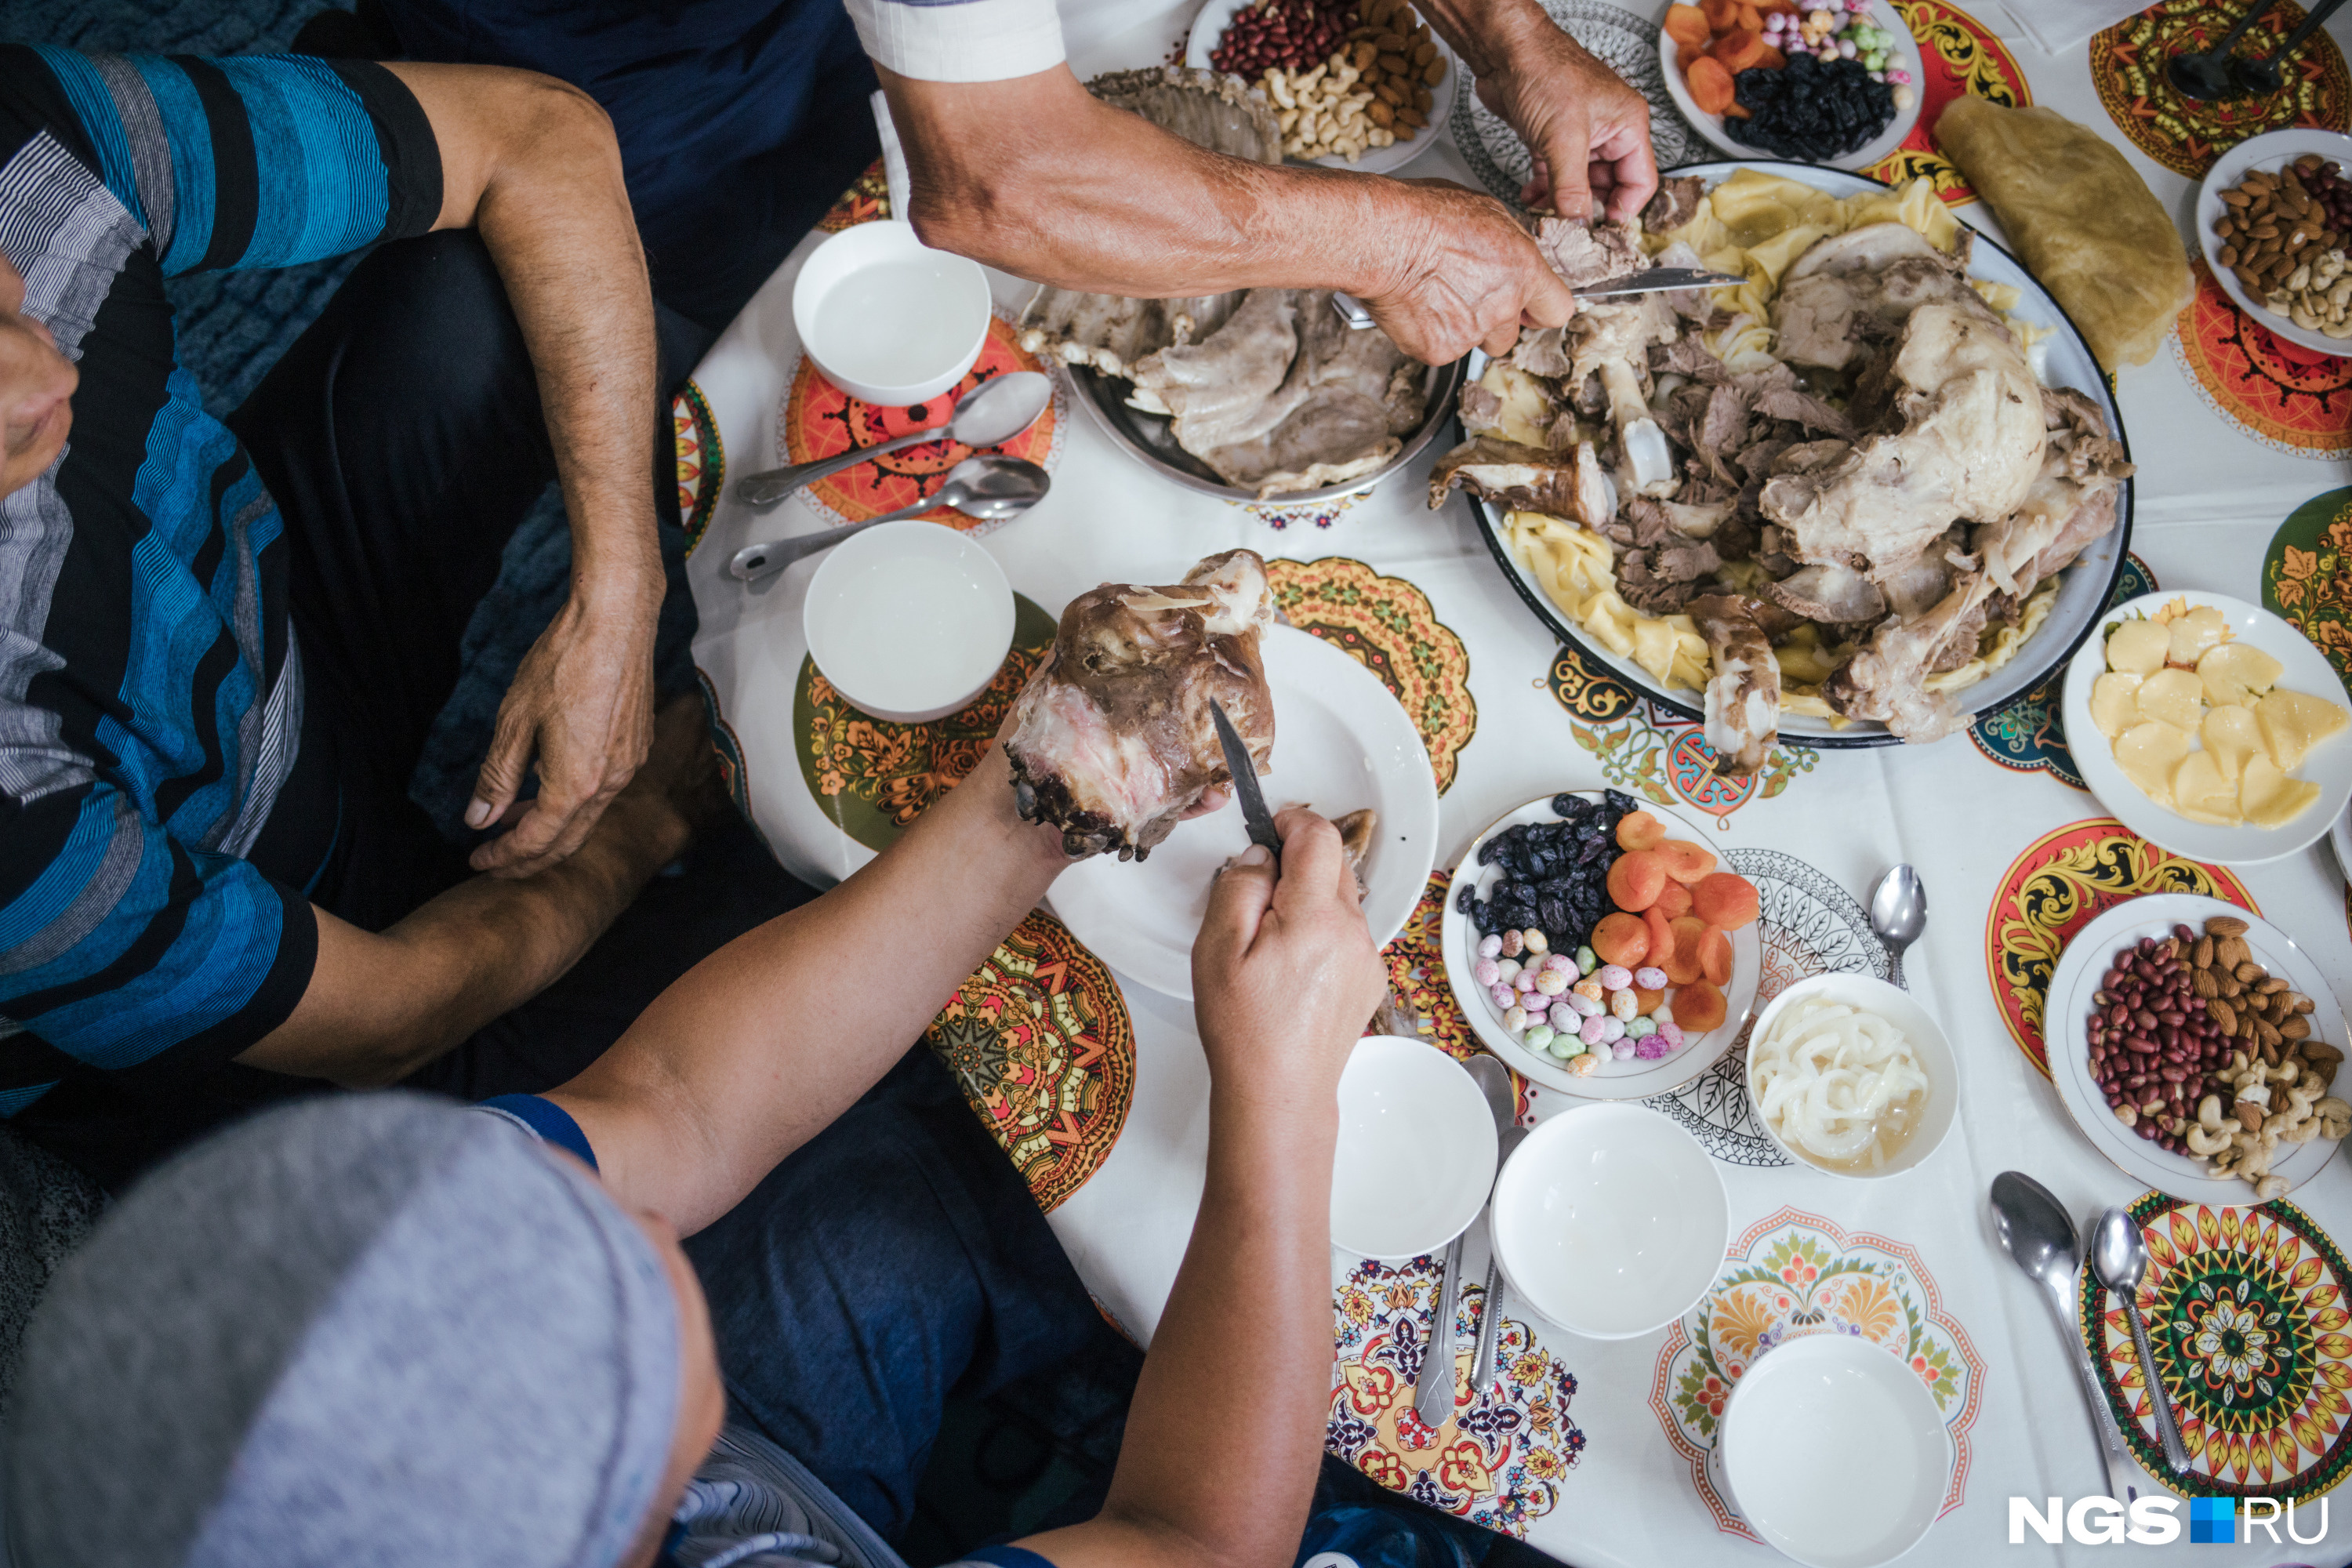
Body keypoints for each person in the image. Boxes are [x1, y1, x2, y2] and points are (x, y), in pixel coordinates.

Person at [5, 724, 1396, 1568]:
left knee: (896, 1206)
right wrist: (1281, 1097)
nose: (625, 1217)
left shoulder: (350, 1279)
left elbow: (676, 1108)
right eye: (618, 1282)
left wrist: (1037, 797)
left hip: (747, 1461)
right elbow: (1197, 1539)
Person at [0, 45, 785, 1188]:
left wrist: (620, 591)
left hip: (262, 613)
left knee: (471, 296)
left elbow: (536, 135)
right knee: (772, 996)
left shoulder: (23, 148)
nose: (38, 372)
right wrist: (649, 820)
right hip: (256, 1033)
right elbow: (388, 1020)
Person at [372, 0, 1658, 361]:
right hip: (603, 55)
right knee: (683, 289)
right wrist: (1397, 245)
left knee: (850, 142)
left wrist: (1514, 44)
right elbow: (1000, 181)